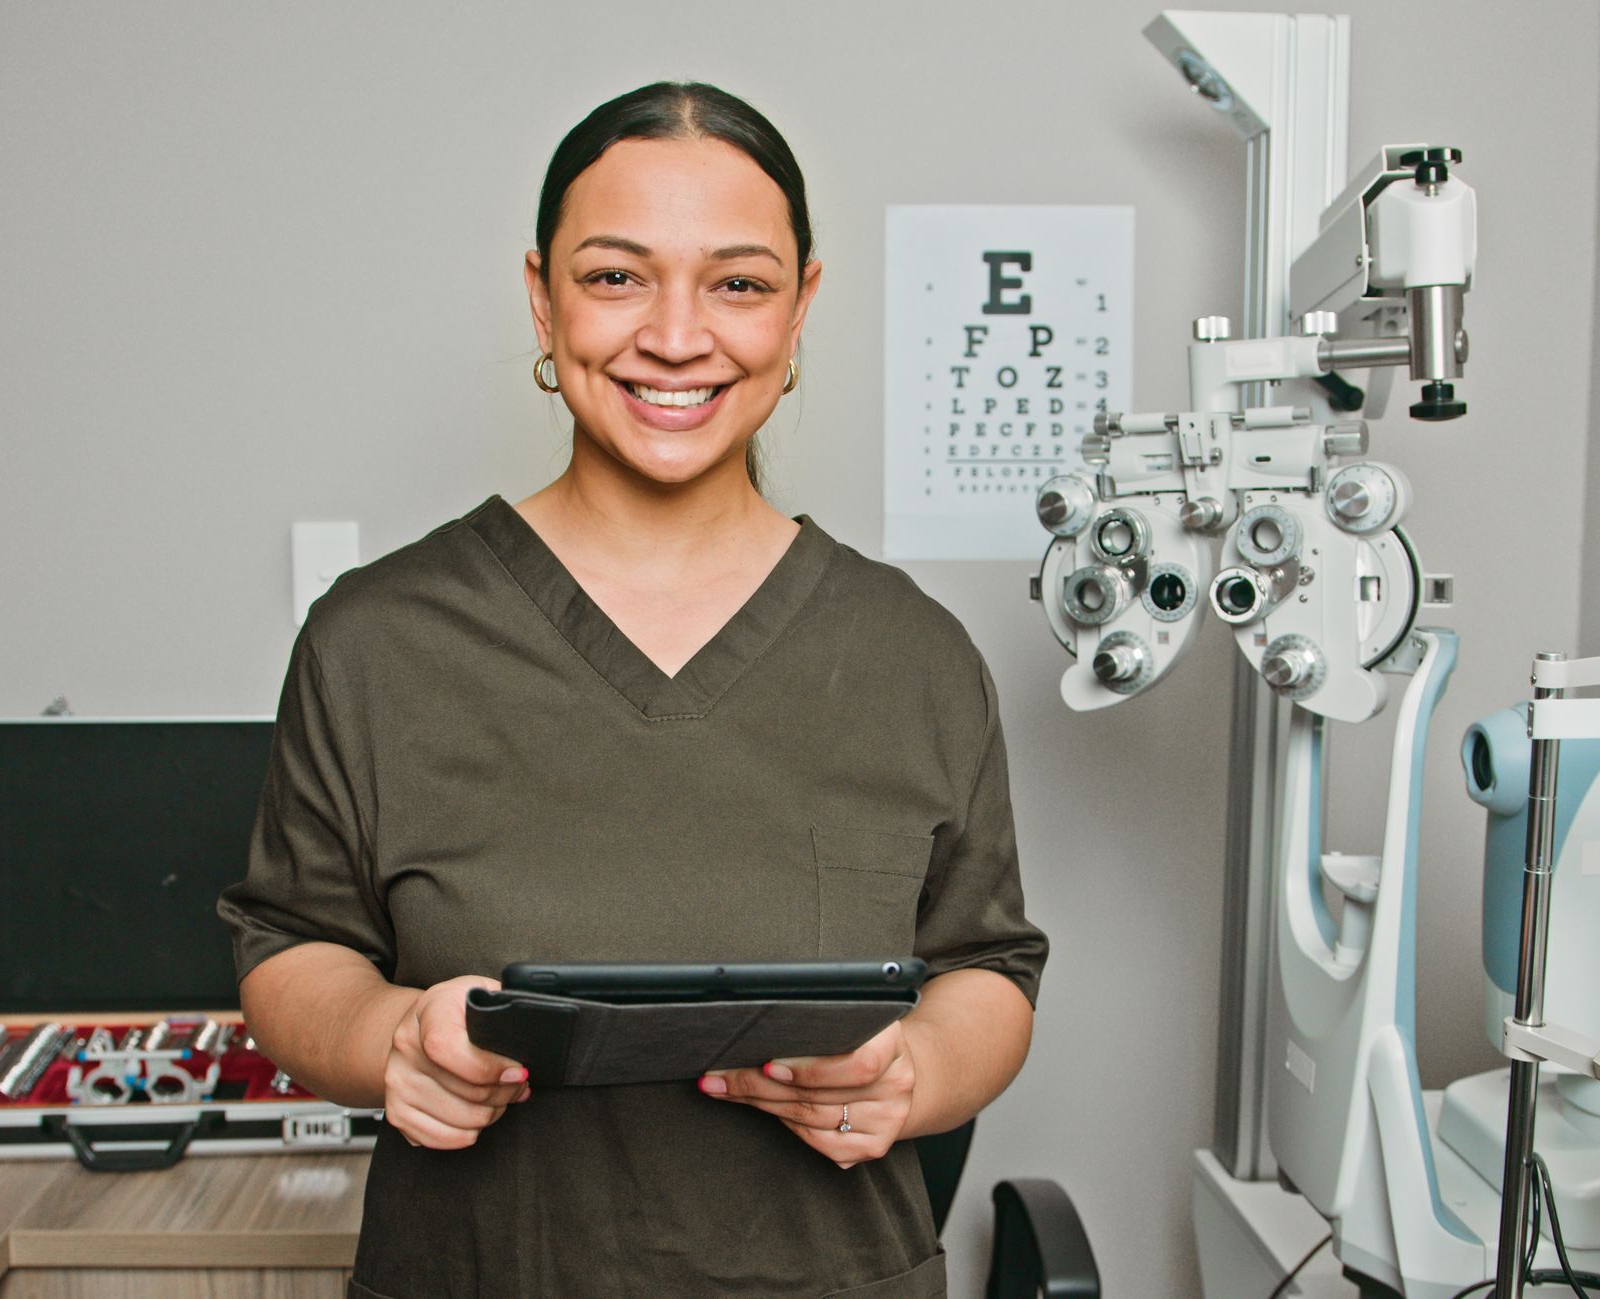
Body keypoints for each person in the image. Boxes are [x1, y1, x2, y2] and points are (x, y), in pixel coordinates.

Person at [221, 81, 1046, 1299]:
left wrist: (914, 1068)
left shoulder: (910, 654)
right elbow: (292, 948)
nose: (674, 335)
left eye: (738, 283)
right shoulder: (376, 640)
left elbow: (985, 969)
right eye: (615, 278)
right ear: (541, 298)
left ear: (800, 305)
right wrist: (386, 1037)